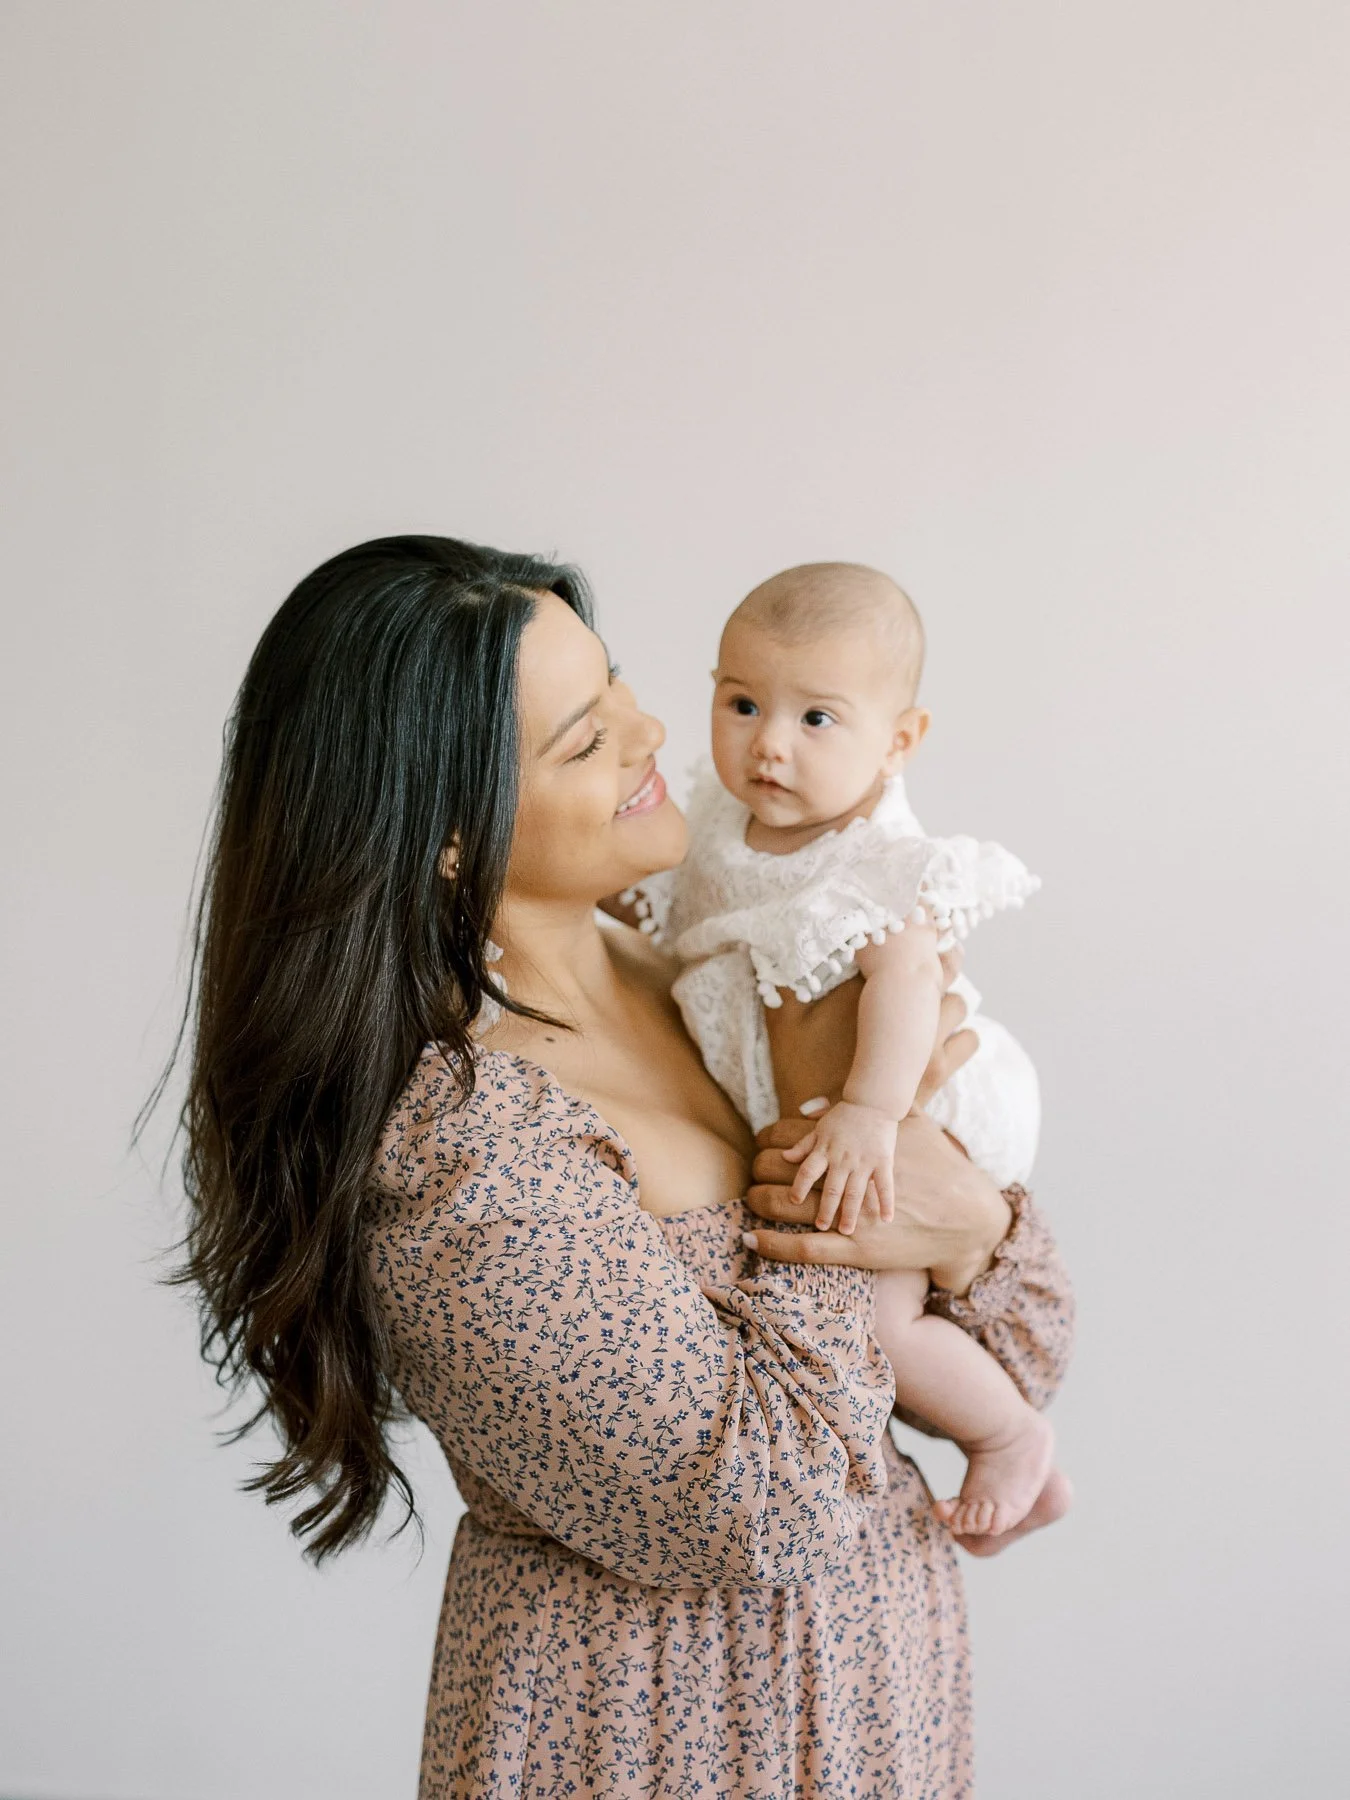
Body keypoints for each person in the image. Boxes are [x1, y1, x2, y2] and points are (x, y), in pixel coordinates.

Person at [173, 535, 1073, 1798]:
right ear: (445, 833)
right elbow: (755, 1506)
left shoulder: (716, 974)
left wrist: (971, 1226)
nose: (656, 734)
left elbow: (1022, 1363)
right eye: (585, 740)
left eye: (621, 688)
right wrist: (828, 1129)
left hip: (879, 1700)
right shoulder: (462, 1142)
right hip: (657, 1735)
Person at [617, 562, 1064, 1538]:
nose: (768, 745)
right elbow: (696, 922)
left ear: (899, 742)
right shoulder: (726, 824)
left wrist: (870, 1113)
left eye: (817, 719)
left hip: (914, 1099)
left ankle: (1009, 1439)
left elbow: (908, 986)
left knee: (880, 1321)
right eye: (741, 704)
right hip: (851, 1098)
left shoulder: (876, 858)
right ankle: (1013, 1445)